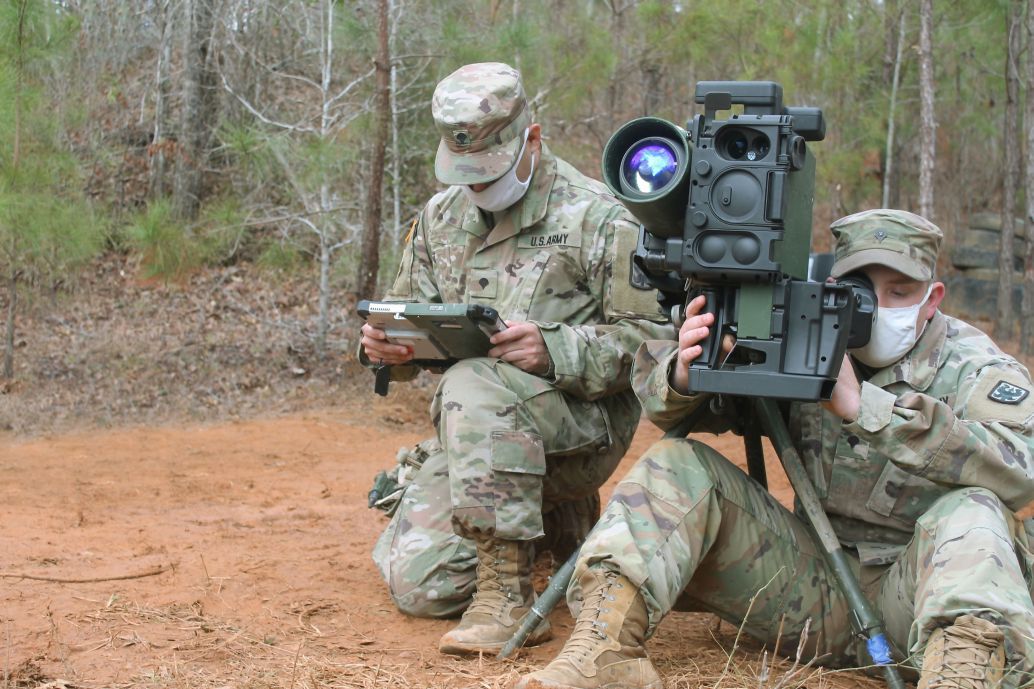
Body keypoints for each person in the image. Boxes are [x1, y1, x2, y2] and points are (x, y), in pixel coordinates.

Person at [515, 209, 1034, 689]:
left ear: (933, 297)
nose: (878, 309)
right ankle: (603, 649)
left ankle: (962, 676)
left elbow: (1018, 470)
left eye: (900, 293)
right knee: (676, 463)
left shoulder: (977, 367)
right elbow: (680, 414)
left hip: (927, 601)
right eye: (862, 291)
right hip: (816, 593)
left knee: (976, 510)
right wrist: (688, 370)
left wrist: (863, 406)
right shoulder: (806, 334)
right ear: (833, 287)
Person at [359, 61, 673, 656]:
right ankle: (554, 519)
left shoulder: (600, 216)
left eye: (489, 172)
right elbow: (408, 311)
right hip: (476, 440)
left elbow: (654, 343)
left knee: (476, 381)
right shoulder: (441, 217)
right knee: (422, 585)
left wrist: (553, 348)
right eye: (466, 174)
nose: (476, 188)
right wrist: (386, 348)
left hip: (580, 426)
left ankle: (505, 600)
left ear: (532, 136)